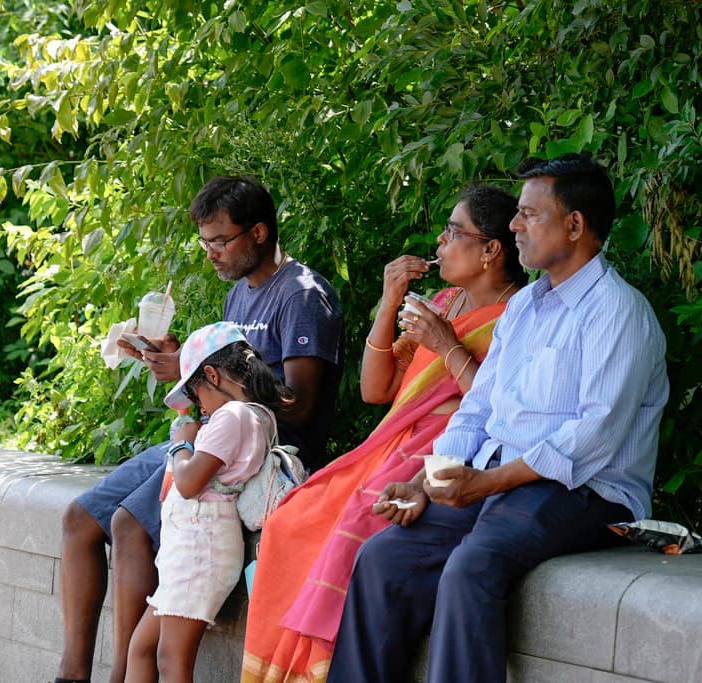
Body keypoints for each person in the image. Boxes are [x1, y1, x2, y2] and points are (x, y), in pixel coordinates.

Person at [326, 153, 669, 683]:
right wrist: (425, 480)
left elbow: (591, 438)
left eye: (529, 214)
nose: (514, 226)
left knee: (471, 568)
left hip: (585, 491)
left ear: (574, 225)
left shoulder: (618, 312)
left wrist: (485, 482)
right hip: (499, 481)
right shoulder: (527, 306)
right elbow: (479, 408)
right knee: (383, 559)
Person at [57, 176, 344, 683]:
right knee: (80, 518)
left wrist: (213, 385)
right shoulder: (240, 295)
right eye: (204, 241)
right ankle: (73, 673)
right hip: (209, 435)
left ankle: (122, 673)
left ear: (258, 233)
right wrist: (185, 370)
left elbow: (299, 406)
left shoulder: (302, 295)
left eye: (220, 240)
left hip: (246, 455)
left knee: (127, 525)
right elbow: (227, 380)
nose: (210, 252)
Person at [241, 184, 527, 683]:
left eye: (454, 232)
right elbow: (377, 390)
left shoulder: (519, 315)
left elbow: (501, 409)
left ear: (490, 251)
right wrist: (389, 300)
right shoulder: (443, 299)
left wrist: (445, 344)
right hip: (393, 440)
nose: (439, 242)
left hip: (444, 450)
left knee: (351, 523)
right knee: (290, 519)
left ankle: (316, 664)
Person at [126, 322, 295, 681]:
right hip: (193, 544)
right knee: (142, 648)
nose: (198, 406)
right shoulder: (253, 415)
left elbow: (188, 483)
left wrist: (182, 443)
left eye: (195, 393)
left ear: (212, 375)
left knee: (172, 660)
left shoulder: (232, 416)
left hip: (200, 547)